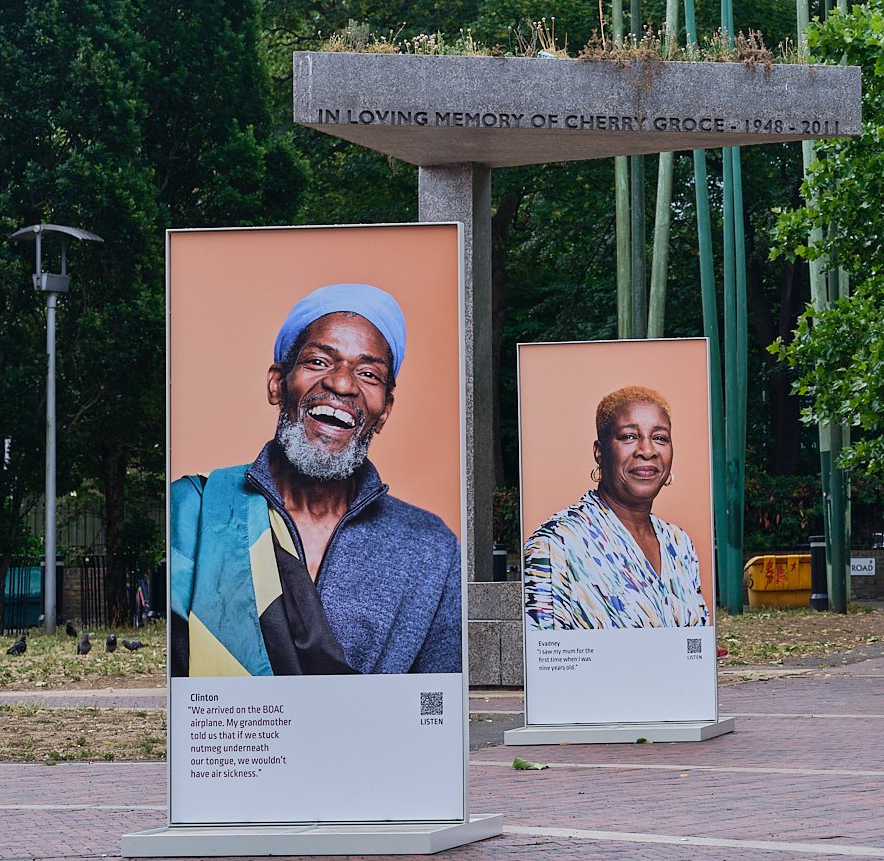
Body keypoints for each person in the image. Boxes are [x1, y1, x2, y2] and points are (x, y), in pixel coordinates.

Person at [169, 283, 462, 676]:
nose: (342, 384)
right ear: (277, 384)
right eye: (319, 362)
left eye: (368, 373)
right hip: (235, 736)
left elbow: (439, 712)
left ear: (384, 410)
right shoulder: (193, 514)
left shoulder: (430, 549)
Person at [524, 386, 708, 629]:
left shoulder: (679, 544)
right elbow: (543, 657)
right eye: (629, 436)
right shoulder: (556, 544)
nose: (647, 451)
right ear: (600, 452)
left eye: (660, 438)